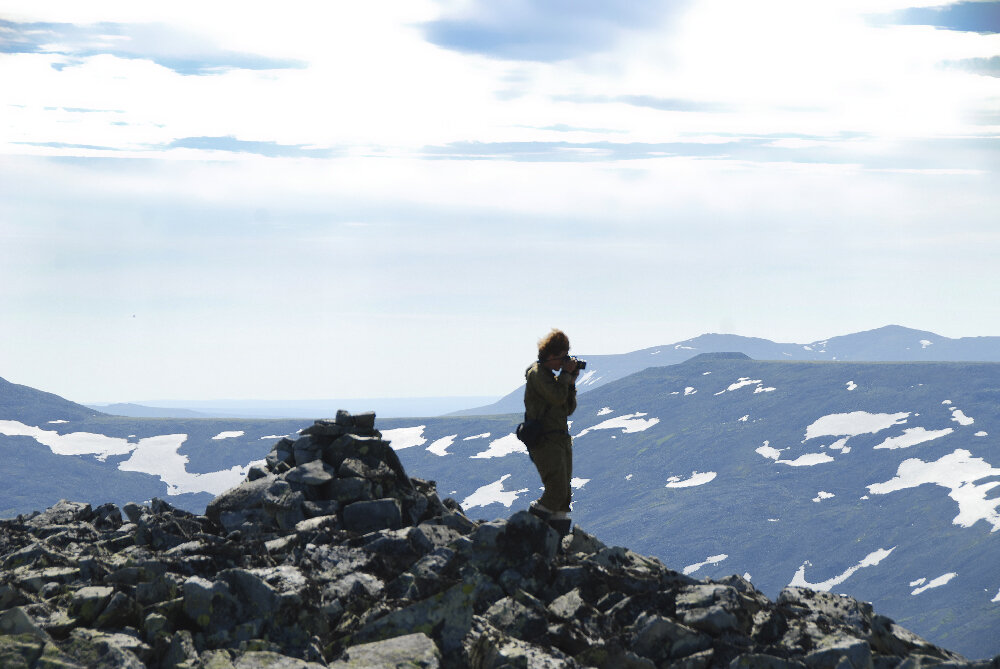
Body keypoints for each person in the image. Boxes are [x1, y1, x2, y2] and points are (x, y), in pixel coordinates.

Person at [524, 328, 578, 536]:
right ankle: (526, 529)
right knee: (555, 491)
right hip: (545, 441)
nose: (564, 363)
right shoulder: (537, 374)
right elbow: (555, 397)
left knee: (564, 495)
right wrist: (565, 375)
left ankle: (555, 542)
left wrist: (571, 383)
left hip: (560, 440)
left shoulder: (554, 379)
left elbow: (567, 408)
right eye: (562, 358)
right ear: (551, 355)